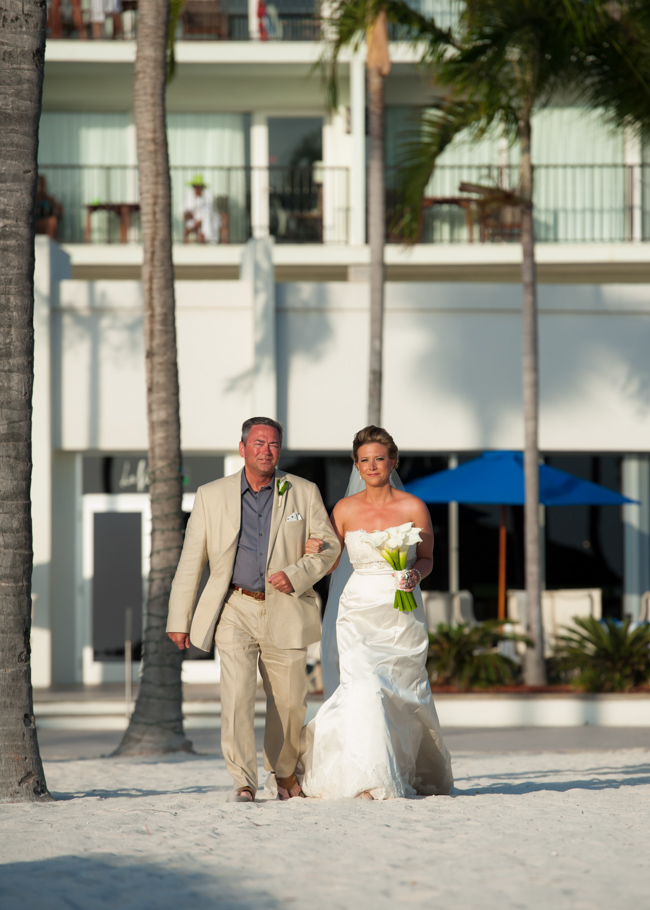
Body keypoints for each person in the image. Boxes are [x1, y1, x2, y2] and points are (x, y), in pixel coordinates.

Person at [166, 417, 340, 803]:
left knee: (292, 701)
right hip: (235, 607)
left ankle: (282, 774)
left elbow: (329, 547)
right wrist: (179, 619)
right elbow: (191, 560)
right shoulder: (211, 495)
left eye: (274, 444)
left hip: (287, 607)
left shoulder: (302, 491)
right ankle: (243, 781)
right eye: (258, 443)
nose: (266, 450)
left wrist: (296, 574)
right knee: (238, 695)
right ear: (243, 447)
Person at [296, 425, 453, 800]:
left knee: (398, 692)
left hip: (402, 611)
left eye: (379, 459)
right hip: (358, 610)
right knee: (364, 686)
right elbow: (331, 564)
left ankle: (397, 768)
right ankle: (367, 779)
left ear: (392, 462)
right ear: (356, 465)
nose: (371, 466)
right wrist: (314, 548)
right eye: (364, 460)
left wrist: (415, 572)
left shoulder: (414, 506)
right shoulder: (344, 509)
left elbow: (428, 558)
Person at [183, 175, 220, 244]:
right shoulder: (189, 195)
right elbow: (186, 211)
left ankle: (205, 239)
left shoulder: (208, 196)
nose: (196, 189)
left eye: (198, 187)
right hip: (195, 223)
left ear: (202, 187)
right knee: (189, 228)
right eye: (195, 187)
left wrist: (199, 221)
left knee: (205, 229)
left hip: (209, 223)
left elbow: (208, 213)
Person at [34, 175, 63, 241]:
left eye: (43, 184)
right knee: (51, 222)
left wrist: (53, 202)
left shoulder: (47, 199)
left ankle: (51, 243)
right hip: (34, 223)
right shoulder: (31, 199)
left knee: (52, 221)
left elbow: (60, 211)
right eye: (39, 184)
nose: (41, 187)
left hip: (46, 223)